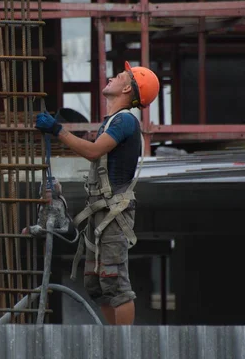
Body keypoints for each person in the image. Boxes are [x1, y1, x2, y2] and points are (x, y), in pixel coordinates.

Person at [35, 61, 159, 325]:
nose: (111, 78)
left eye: (118, 76)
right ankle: (110, 341)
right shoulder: (112, 122)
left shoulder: (124, 121)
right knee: (97, 283)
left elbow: (93, 151)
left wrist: (57, 130)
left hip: (113, 213)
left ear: (127, 87)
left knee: (114, 280)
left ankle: (123, 347)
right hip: (101, 212)